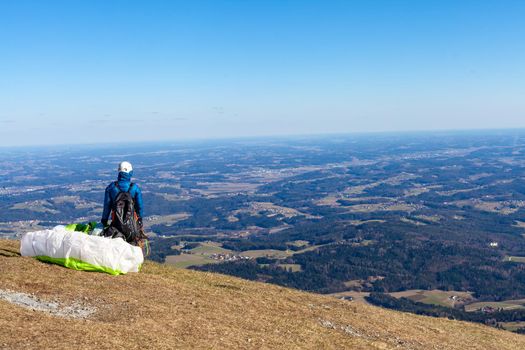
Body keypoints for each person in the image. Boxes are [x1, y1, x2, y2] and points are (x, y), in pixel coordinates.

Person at [101, 161, 144, 242]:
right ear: (130, 172)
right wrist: (140, 219)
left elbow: (107, 206)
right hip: (132, 224)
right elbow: (140, 206)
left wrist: (104, 220)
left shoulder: (111, 187)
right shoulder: (134, 188)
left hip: (116, 224)